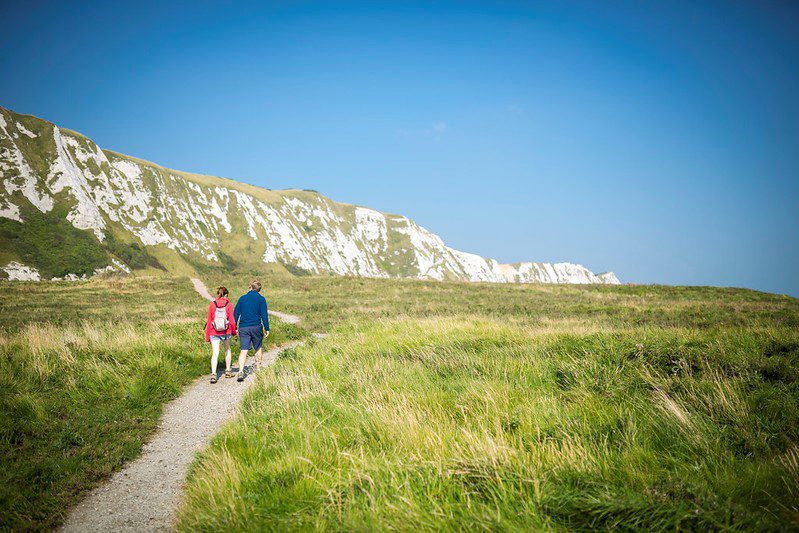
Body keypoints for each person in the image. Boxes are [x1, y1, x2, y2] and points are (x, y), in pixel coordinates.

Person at [233, 279, 270, 382]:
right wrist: (266, 328)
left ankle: (240, 371)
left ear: (251, 287)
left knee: (243, 350)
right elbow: (264, 315)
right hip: (256, 327)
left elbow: (236, 314)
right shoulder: (261, 299)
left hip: (244, 327)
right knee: (258, 348)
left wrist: (234, 327)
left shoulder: (242, 298)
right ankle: (258, 369)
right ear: (259, 290)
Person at [205, 286, 237, 383]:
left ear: (218, 294)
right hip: (226, 331)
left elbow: (209, 320)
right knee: (227, 350)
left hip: (214, 331)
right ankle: (228, 371)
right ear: (226, 294)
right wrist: (234, 332)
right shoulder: (229, 305)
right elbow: (232, 320)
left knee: (215, 353)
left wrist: (207, 337)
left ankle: (213, 374)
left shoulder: (212, 304)